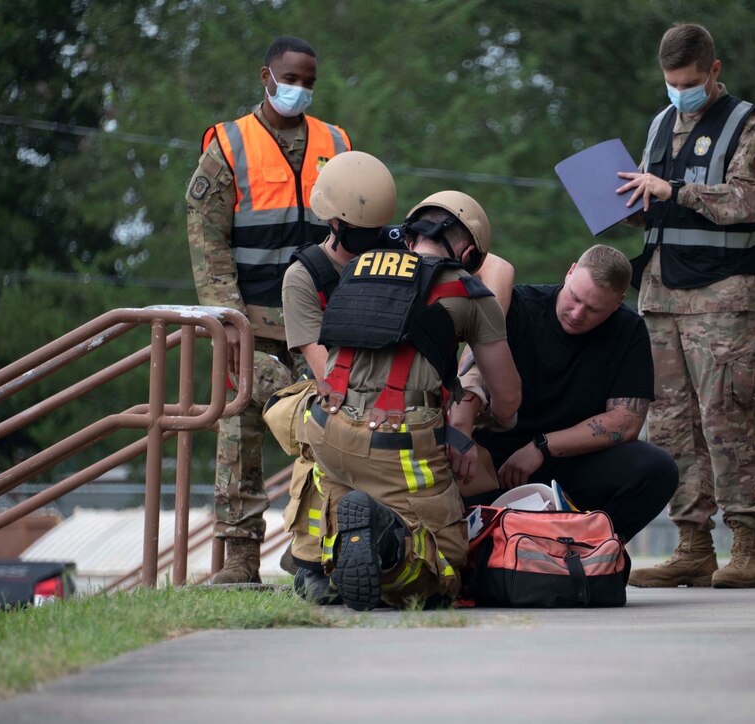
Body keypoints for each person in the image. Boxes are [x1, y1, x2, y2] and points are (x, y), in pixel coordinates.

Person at [278, 151, 515, 602]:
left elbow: (495, 269)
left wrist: (458, 402)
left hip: (350, 417)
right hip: (365, 415)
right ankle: (345, 556)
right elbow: (323, 373)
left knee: (333, 454)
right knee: (446, 572)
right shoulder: (305, 277)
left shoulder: (380, 255)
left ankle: (346, 544)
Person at [615, 23, 755, 588]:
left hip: (724, 298)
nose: (678, 92)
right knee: (670, 427)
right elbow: (655, 204)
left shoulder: (748, 125)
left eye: (688, 82)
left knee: (726, 421)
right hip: (660, 294)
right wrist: (633, 203)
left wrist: (673, 192)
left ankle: (750, 549)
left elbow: (750, 202)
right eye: (670, 82)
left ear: (712, 70)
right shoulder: (662, 124)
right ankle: (692, 546)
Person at [185, 35, 351, 583]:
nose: (299, 90)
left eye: (309, 82)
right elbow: (208, 247)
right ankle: (239, 558)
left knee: (336, 428)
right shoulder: (228, 145)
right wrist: (228, 324)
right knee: (239, 428)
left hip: (321, 324)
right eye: (290, 79)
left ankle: (326, 548)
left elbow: (357, 229)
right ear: (266, 76)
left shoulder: (337, 142)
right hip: (250, 323)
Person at [452, 244, 678, 543]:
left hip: (570, 464)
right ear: (570, 272)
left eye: (594, 309)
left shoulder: (628, 329)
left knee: (658, 469)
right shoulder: (518, 305)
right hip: (494, 463)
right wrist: (460, 434)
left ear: (617, 303)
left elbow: (626, 421)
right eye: (575, 297)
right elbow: (469, 376)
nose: (577, 313)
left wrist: (541, 447)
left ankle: (591, 551)